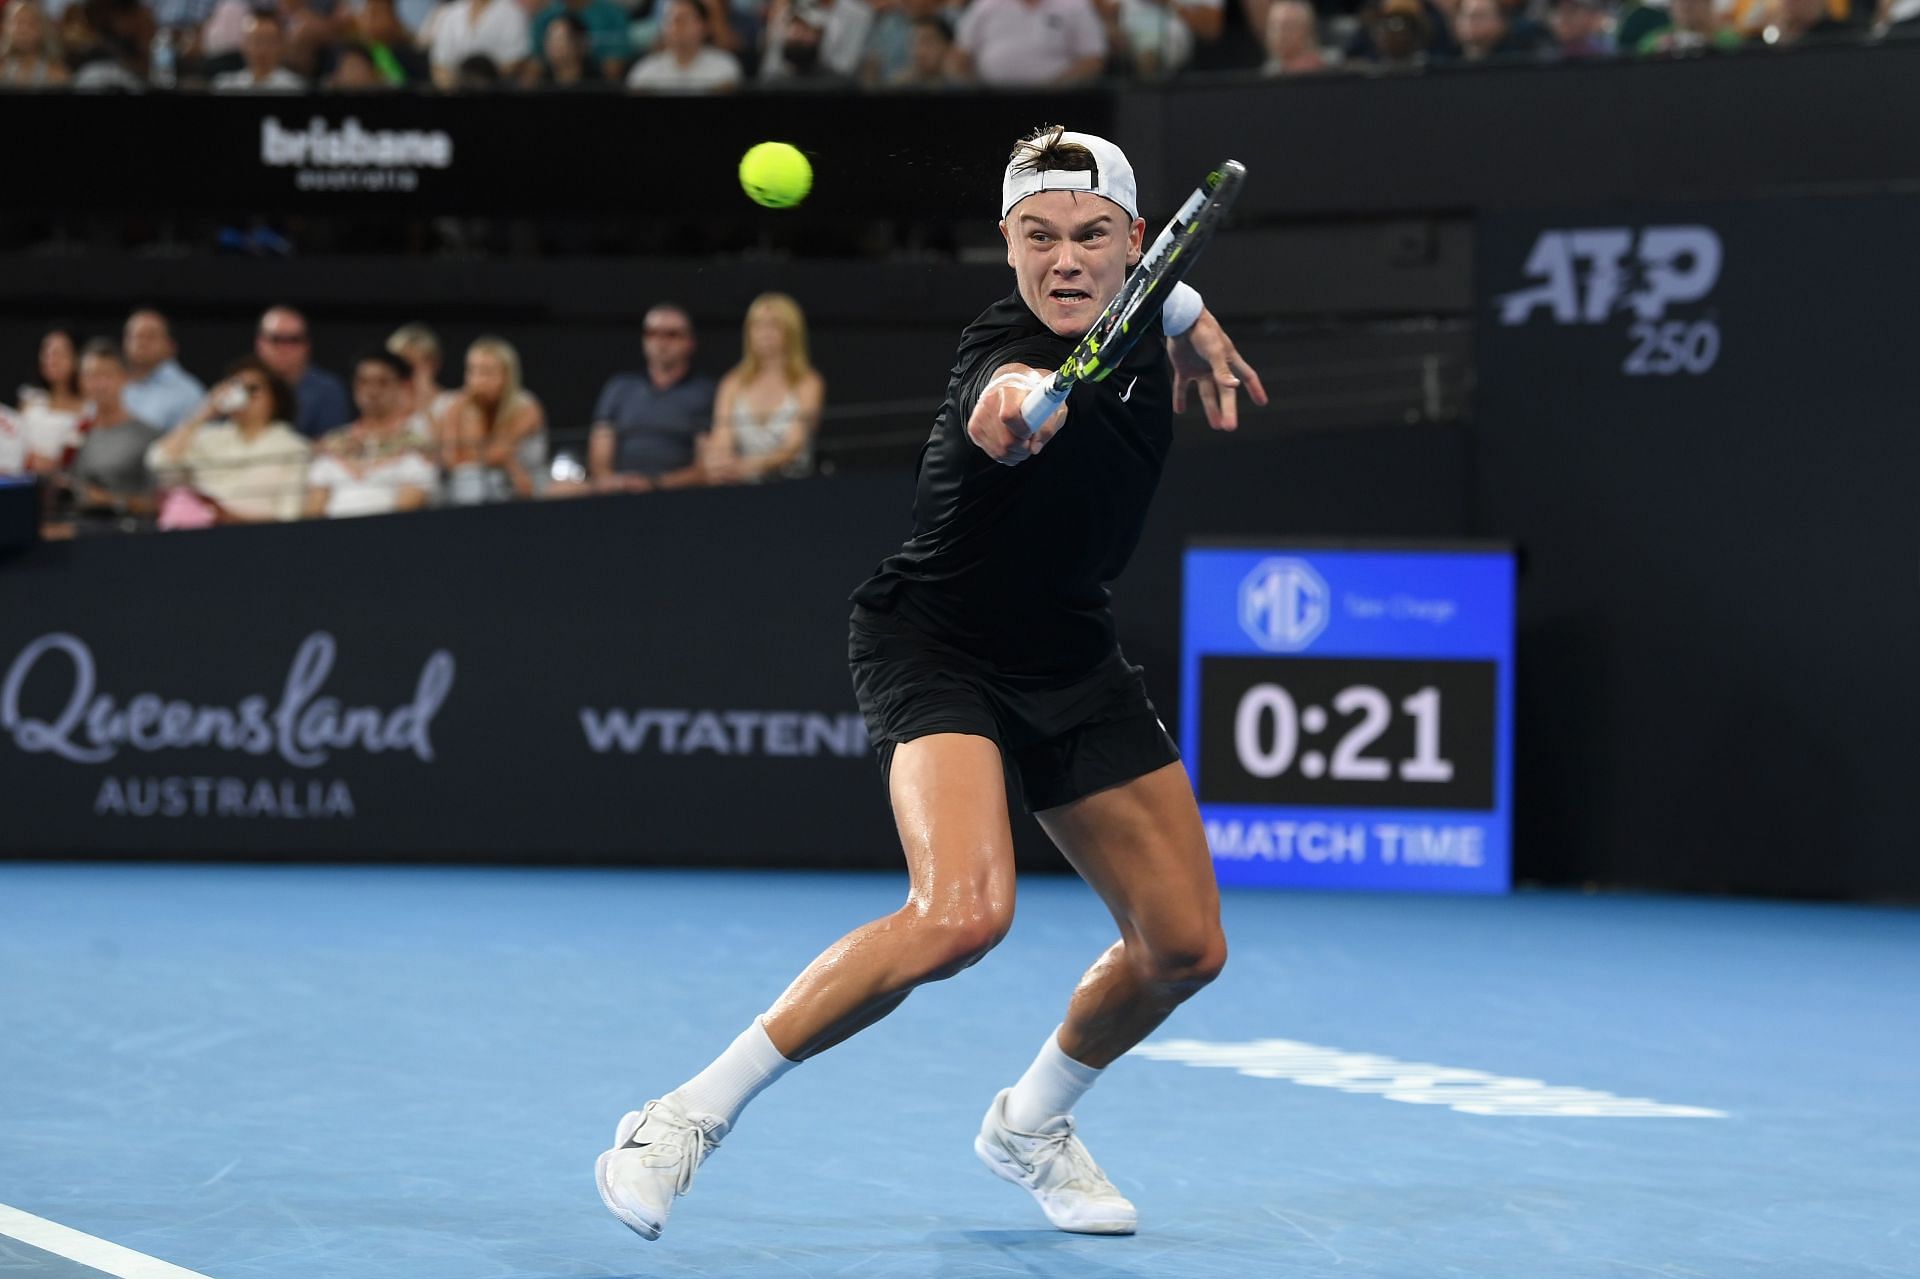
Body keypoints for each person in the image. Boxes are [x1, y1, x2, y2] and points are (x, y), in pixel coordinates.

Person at [596, 125, 1267, 1244]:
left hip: (1068, 651)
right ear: (1004, 248)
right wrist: (1020, 412)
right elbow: (995, 401)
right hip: (936, 642)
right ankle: (679, 1117)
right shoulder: (999, 350)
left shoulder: (1151, 302)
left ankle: (1031, 1124)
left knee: (1186, 947)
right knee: (963, 914)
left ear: (1137, 244)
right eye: (1037, 237)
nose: (1065, 261)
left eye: (1093, 238)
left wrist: (1195, 326)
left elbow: (1167, 298)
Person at [145, 357, 310, 527]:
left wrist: (230, 517)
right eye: (237, 388)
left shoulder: (293, 447)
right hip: (200, 533)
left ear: (275, 398)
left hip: (260, 538)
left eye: (253, 389)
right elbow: (158, 461)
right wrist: (204, 412)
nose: (244, 396)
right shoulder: (208, 437)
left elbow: (290, 516)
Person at [587, 304, 716, 492]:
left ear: (690, 342)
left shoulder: (704, 391)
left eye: (671, 334)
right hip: (617, 493)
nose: (661, 342)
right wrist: (615, 482)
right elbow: (599, 455)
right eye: (652, 333)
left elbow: (706, 466)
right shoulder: (620, 387)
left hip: (680, 495)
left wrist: (655, 484)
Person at [305, 349, 441, 518]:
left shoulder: (419, 445)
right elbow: (313, 511)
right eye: (363, 382)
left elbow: (408, 508)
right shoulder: (333, 443)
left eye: (382, 382)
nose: (372, 391)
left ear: (402, 386)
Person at [705, 293, 825, 484]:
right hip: (741, 487)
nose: (764, 333)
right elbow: (722, 439)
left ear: (792, 331)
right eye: (758, 325)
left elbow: (794, 445)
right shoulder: (732, 383)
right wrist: (720, 463)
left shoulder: (808, 382)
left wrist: (749, 467)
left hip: (794, 487)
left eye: (774, 325)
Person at [55, 340, 162, 535]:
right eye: (91, 376)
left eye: (107, 374)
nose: (99, 384)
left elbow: (159, 502)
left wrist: (109, 501)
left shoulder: (148, 435)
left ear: (124, 378)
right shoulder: (76, 432)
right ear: (81, 382)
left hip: (126, 534)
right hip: (77, 531)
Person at [441, 336, 546, 503]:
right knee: (469, 479)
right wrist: (472, 410)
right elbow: (449, 460)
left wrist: (474, 415)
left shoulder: (526, 407)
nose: (476, 380)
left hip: (526, 489)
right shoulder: (456, 406)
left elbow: (494, 454)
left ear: (507, 376)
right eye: (472, 370)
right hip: (476, 490)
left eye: (486, 372)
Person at [949, 0, 1106, 84]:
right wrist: (975, 91)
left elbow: (1092, 59)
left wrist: (1056, 87)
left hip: (1058, 103)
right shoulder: (985, 5)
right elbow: (960, 55)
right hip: (993, 103)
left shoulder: (1075, 5)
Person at [255, 305, 353, 438]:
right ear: (260, 343)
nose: (284, 348)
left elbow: (330, 444)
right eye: (276, 339)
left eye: (294, 340)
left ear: (307, 346)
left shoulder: (327, 389)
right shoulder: (242, 384)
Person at [624, 0, 740, 91]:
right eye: (669, 20)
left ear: (704, 26)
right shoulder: (644, 72)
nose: (675, 27)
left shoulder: (724, 67)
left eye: (683, 19)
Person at [15, 326, 85, 475]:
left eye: (60, 353)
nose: (52, 359)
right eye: (47, 353)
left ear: (76, 358)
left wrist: (53, 464)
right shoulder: (30, 398)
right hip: (21, 479)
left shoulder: (89, 409)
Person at [122, 309, 206, 432]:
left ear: (170, 346)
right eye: (135, 336)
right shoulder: (116, 386)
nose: (141, 343)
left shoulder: (187, 392)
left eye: (150, 337)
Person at [427, 0, 529, 87]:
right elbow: (439, 64)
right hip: (455, 90)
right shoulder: (452, 13)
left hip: (497, 90)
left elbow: (514, 61)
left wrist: (479, 82)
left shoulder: (512, 13)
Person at [210, 10, 307, 88]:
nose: (261, 49)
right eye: (256, 42)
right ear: (243, 45)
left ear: (282, 46)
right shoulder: (225, 85)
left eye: (268, 42)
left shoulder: (295, 87)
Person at [0, 1, 72, 86]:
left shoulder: (57, 76)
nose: (23, 30)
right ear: (5, 27)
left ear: (43, 29)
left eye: (30, 24)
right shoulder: (2, 71)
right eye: (18, 23)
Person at [1261, 0, 1326, 71]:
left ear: (1306, 30)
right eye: (1275, 27)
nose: (1280, 34)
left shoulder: (1321, 70)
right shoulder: (1270, 72)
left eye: (1288, 27)